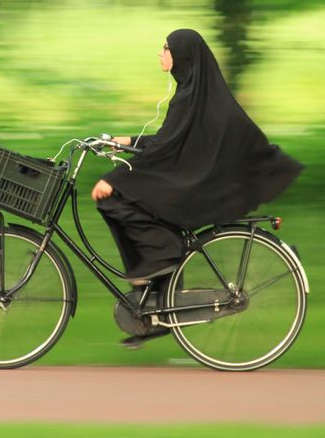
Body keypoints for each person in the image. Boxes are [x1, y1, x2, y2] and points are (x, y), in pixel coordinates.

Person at [91, 29, 304, 288]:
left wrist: (115, 179)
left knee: (113, 198)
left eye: (166, 48)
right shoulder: (198, 95)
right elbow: (170, 141)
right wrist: (127, 142)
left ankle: (163, 255)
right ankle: (157, 293)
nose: (160, 53)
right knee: (131, 197)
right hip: (192, 180)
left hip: (193, 187)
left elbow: (165, 149)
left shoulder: (188, 99)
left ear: (182, 56)